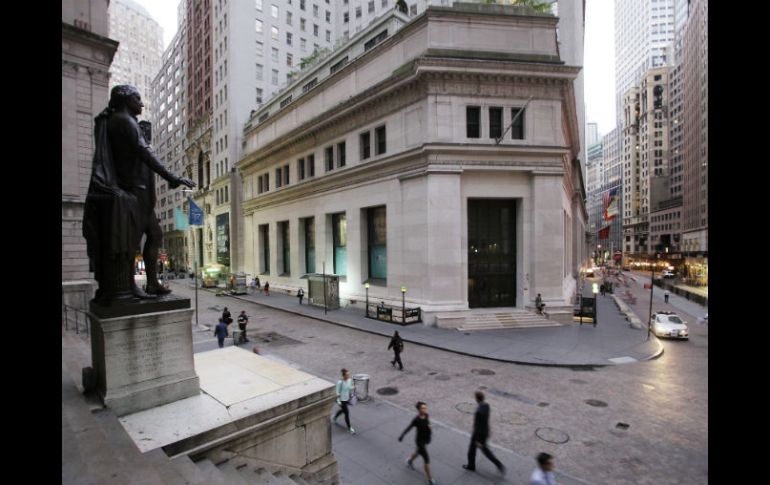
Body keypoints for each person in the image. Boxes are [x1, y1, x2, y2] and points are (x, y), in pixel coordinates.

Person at [83, 85, 195, 303]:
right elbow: (146, 153)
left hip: (139, 194)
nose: (142, 104)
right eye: (137, 98)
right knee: (131, 242)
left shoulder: (118, 120)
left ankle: (151, 283)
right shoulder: (125, 121)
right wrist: (172, 177)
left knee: (155, 235)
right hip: (134, 194)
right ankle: (129, 286)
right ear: (126, 99)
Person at [463, 391, 505, 476]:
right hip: (485, 431)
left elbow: (477, 425)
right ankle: (498, 465)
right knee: (482, 450)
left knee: (475, 450)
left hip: (478, 435)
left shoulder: (478, 411)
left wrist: (477, 438)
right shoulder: (486, 406)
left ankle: (472, 466)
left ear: (477, 399)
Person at [399, 401, 435, 485]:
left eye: (426, 407)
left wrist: (430, 429)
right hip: (419, 442)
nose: (425, 409)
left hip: (425, 440)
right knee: (426, 460)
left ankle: (409, 460)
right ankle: (430, 479)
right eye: (423, 408)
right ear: (419, 410)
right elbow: (409, 428)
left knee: (418, 452)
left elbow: (427, 424)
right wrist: (402, 435)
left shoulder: (426, 415)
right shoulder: (416, 420)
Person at [333, 369, 356, 434]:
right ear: (344, 376)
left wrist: (353, 387)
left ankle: (334, 417)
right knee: (347, 413)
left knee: (343, 410)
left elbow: (348, 387)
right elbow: (337, 393)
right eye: (347, 375)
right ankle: (349, 428)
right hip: (342, 400)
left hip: (347, 399)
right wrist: (339, 401)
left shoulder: (349, 380)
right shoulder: (340, 382)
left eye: (349, 374)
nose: (349, 376)